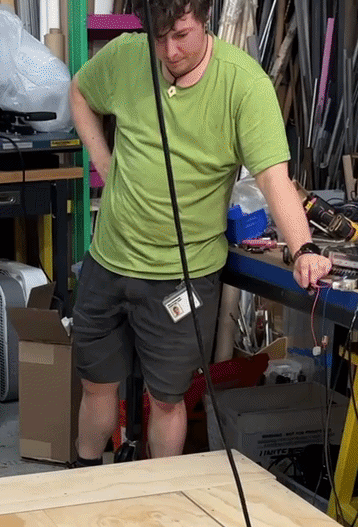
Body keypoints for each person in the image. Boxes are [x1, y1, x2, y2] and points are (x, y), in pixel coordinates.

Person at [68, 0, 332, 466]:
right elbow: (80, 92)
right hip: (109, 261)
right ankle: (83, 480)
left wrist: (303, 247)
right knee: (97, 386)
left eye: (181, 36)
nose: (170, 51)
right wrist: (104, 163)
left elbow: (274, 177)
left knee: (167, 400)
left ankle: (163, 498)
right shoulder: (127, 55)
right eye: (159, 38)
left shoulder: (244, 84)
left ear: (205, 19)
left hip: (182, 275)